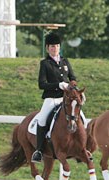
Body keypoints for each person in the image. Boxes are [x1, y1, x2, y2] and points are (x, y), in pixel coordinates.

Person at [31, 32, 76, 163]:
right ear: (47, 48)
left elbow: (73, 78)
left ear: (59, 47)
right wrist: (58, 85)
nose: (54, 48)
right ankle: (38, 150)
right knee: (42, 119)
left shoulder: (65, 61)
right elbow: (42, 84)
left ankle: (85, 144)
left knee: (80, 116)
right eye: (51, 46)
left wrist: (73, 85)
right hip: (51, 98)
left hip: (66, 98)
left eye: (56, 46)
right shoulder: (45, 63)